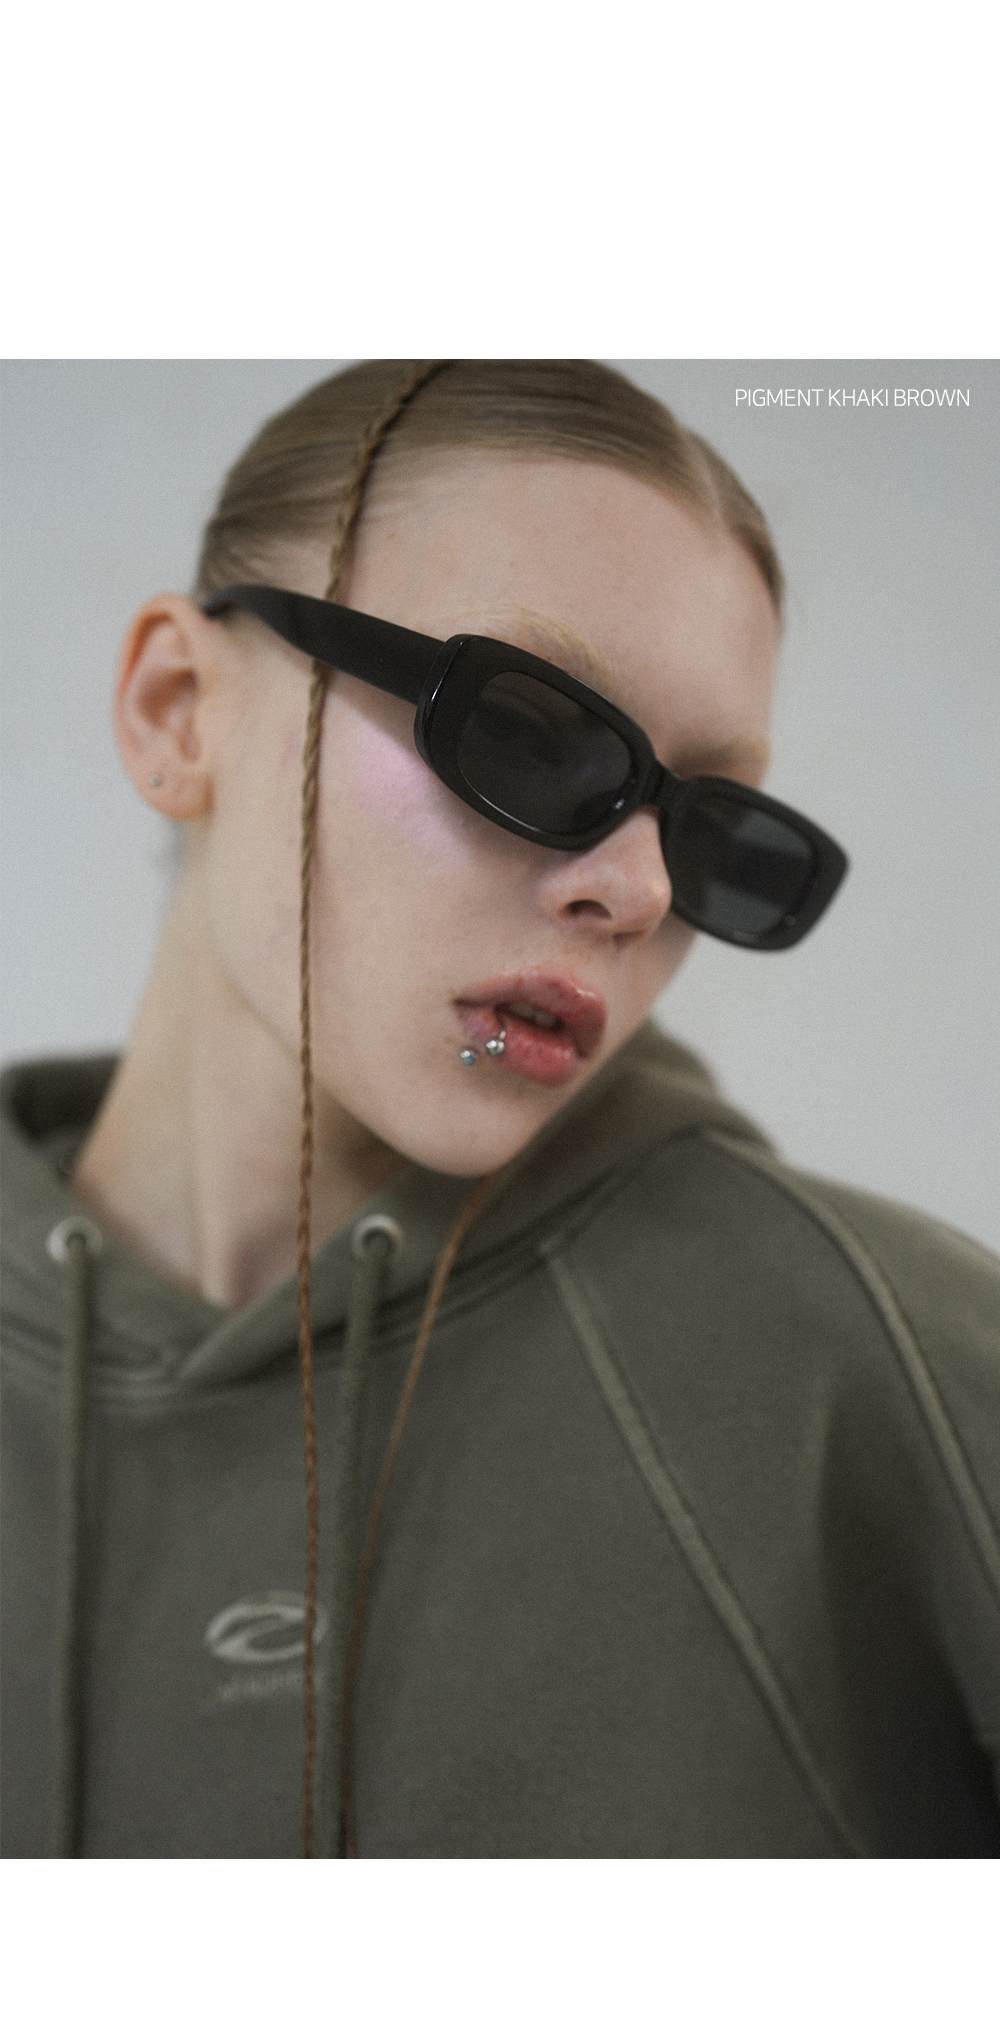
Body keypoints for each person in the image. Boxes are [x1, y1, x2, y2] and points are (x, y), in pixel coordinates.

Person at [2, 359, 998, 1861]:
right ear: (179, 710)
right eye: (531, 738)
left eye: (714, 829)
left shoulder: (876, 1367)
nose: (641, 890)